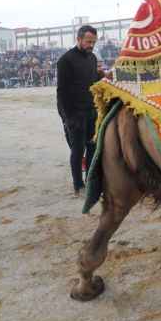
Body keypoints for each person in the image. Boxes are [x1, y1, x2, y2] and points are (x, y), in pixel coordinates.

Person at [57, 25, 106, 195]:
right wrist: (68, 117)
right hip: (74, 114)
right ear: (78, 39)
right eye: (88, 41)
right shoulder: (65, 60)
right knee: (77, 151)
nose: (91, 45)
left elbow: (93, 82)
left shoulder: (92, 58)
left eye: (93, 42)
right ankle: (78, 185)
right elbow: (61, 92)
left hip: (91, 111)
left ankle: (90, 181)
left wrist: (103, 77)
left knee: (93, 149)